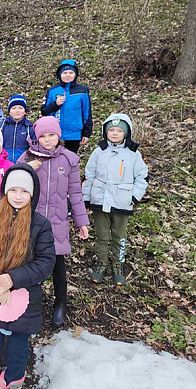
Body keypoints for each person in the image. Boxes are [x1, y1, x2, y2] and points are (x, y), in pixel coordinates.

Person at [0, 164, 56, 389]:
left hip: (25, 295)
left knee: (18, 344)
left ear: (32, 194)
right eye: (13, 190)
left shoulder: (40, 225)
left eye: (24, 192)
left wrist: (12, 279)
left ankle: (12, 379)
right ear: (5, 192)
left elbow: (46, 262)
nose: (18, 197)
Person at [18, 116, 89, 327]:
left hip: (57, 222)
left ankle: (60, 304)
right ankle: (30, 304)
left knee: (58, 267)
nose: (48, 140)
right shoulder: (27, 156)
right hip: (33, 222)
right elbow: (15, 185)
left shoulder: (69, 159)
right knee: (31, 264)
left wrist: (81, 221)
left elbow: (75, 193)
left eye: (52, 135)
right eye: (43, 136)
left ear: (59, 136)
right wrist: (28, 168)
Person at [83, 113, 148, 285]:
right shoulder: (99, 152)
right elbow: (89, 175)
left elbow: (142, 177)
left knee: (119, 235)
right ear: (105, 131)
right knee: (102, 235)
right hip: (100, 201)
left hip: (122, 201)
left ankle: (118, 264)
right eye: (111, 129)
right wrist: (86, 198)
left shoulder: (134, 154)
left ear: (126, 133)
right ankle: (101, 263)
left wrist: (134, 197)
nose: (114, 133)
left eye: (119, 130)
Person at [40, 59, 92, 154]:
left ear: (75, 74)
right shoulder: (52, 91)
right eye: (65, 73)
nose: (68, 75)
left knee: (70, 160)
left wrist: (86, 133)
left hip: (74, 135)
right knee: (55, 160)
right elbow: (44, 112)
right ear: (59, 75)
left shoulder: (83, 91)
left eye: (71, 72)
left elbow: (87, 113)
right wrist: (55, 104)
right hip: (55, 134)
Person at [1, 94, 36, 163]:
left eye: (20, 108)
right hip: (5, 162)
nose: (17, 111)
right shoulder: (2, 125)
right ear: (9, 112)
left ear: (25, 111)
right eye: (14, 108)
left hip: (23, 162)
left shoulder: (29, 127)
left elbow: (34, 146)